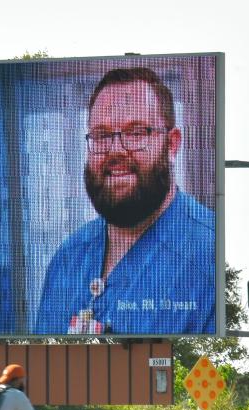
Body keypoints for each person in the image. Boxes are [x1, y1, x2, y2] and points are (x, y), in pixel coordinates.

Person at [34, 66, 215, 335]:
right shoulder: (67, 259)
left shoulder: (212, 253)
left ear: (172, 144)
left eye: (136, 132)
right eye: (101, 135)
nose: (116, 150)